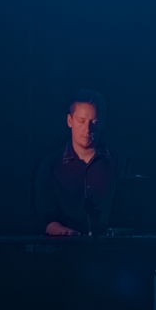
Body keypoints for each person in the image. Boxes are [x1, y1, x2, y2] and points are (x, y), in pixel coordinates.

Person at [39, 90, 117, 236]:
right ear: (70, 121)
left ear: (102, 123)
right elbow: (44, 219)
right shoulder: (51, 165)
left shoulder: (115, 163)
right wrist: (65, 232)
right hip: (64, 252)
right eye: (81, 121)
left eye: (94, 122)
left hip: (109, 250)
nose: (87, 129)